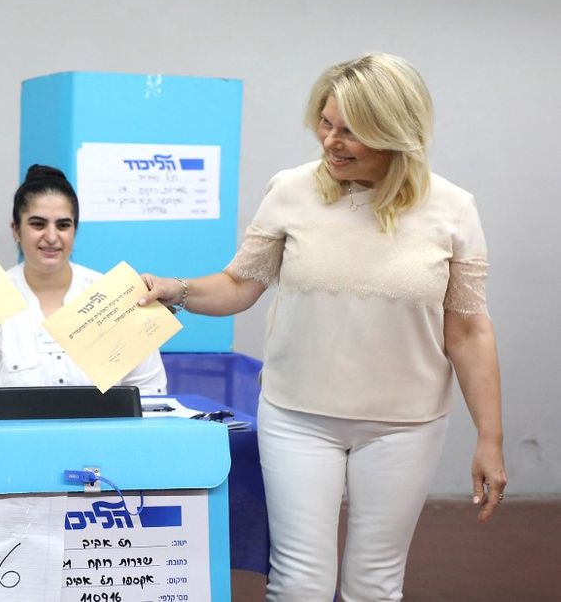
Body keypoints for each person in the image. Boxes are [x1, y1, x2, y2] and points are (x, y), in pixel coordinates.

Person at [139, 53, 506, 601]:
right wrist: (178, 290)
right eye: (326, 122)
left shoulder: (452, 209)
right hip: (297, 416)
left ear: (396, 133)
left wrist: (491, 439)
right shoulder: (290, 190)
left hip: (404, 425)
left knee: (375, 585)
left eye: (352, 130)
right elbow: (242, 284)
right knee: (298, 583)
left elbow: (469, 332)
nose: (331, 141)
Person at [0, 165, 167, 394]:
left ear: (75, 230)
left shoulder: (117, 298)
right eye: (37, 224)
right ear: (15, 230)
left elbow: (152, 398)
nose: (51, 237)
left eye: (63, 225)